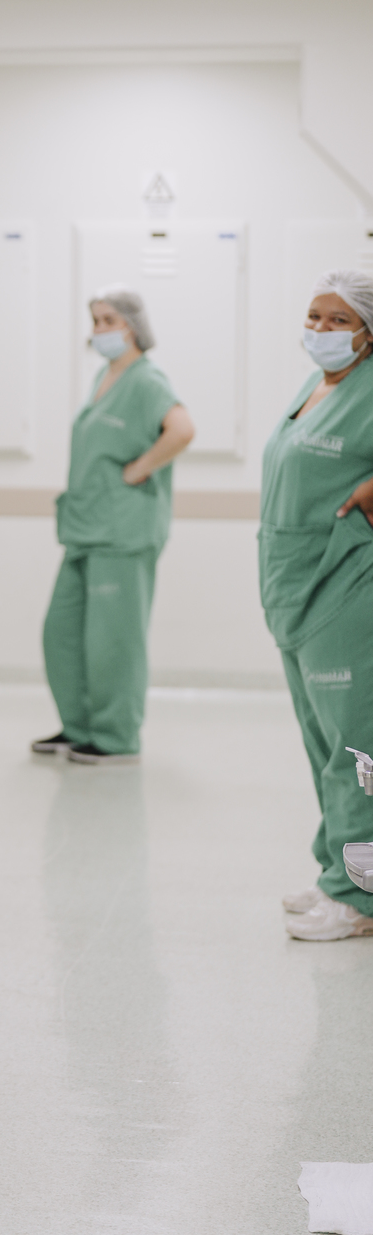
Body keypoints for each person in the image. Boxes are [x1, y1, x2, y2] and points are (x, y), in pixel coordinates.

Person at [33, 286, 194, 766]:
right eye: (96, 321)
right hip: (87, 528)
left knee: (114, 639)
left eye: (109, 321)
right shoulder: (106, 377)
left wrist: (139, 469)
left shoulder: (147, 380)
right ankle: (80, 726)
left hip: (123, 530)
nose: (99, 330)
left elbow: (182, 429)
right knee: (61, 632)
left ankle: (116, 735)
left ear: (134, 326)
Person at [264, 271, 373, 942]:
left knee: (357, 750)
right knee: (322, 742)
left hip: (348, 583)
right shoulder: (317, 385)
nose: (322, 330)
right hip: (295, 587)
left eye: (339, 320)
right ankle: (339, 869)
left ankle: (361, 896)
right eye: (314, 316)